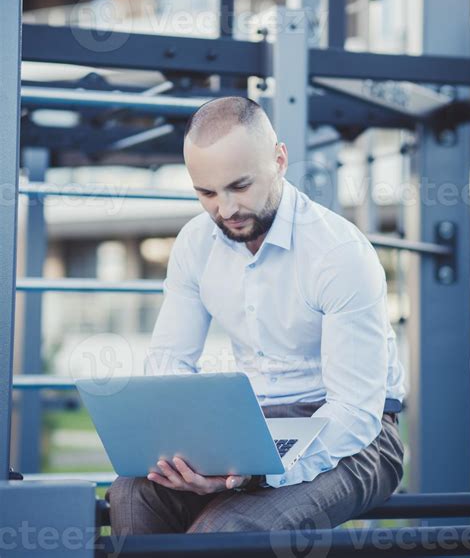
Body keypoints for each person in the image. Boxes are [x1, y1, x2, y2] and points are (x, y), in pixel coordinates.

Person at [107, 96, 405, 536]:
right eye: (206, 193)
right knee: (132, 493)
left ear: (279, 160)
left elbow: (355, 413)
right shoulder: (195, 243)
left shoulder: (339, 255)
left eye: (240, 186)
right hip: (255, 423)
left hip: (359, 436)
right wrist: (190, 444)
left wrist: (257, 472)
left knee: (229, 528)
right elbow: (170, 362)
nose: (225, 210)